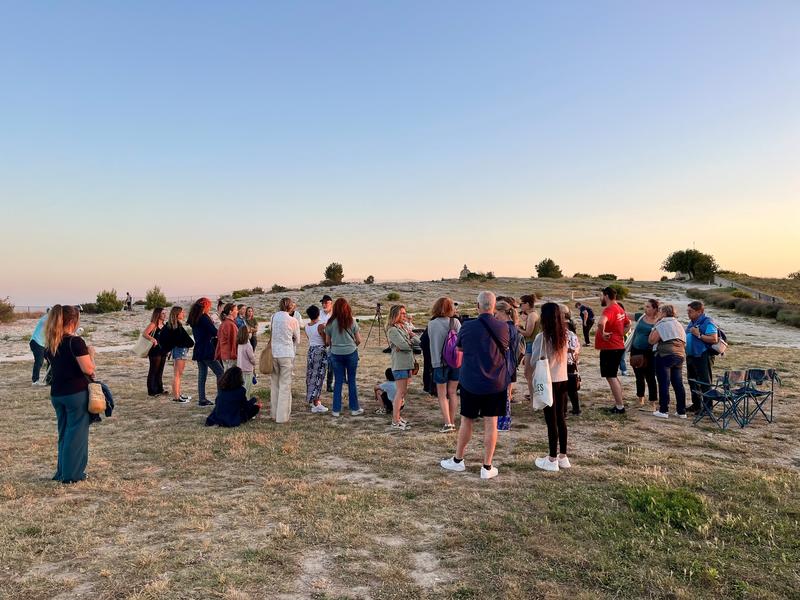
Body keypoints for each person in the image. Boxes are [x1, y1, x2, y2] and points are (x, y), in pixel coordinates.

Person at [440, 291, 509, 480]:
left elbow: (460, 349)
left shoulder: (467, 327)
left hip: (471, 381)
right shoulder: (503, 327)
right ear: (493, 306)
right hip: (496, 382)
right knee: (491, 422)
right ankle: (487, 466)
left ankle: (458, 460)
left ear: (478, 306)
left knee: (466, 421)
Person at [44, 305, 96, 484]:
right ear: (73, 321)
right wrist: (91, 354)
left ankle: (62, 472)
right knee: (77, 435)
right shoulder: (76, 342)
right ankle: (73, 474)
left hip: (57, 393)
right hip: (75, 393)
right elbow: (88, 369)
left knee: (64, 433)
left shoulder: (51, 342)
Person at [531, 302, 571, 471]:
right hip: (562, 379)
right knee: (561, 418)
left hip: (548, 381)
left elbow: (534, 360)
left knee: (551, 420)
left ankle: (552, 458)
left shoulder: (542, 337)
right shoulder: (564, 335)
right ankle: (563, 455)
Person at [426, 297, 461, 433]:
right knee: (452, 392)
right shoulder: (456, 322)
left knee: (442, 394)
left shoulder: (432, 324)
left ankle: (447, 423)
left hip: (438, 362)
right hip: (455, 362)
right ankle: (452, 421)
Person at [324, 298, 363, 417]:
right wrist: (352, 345)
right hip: (351, 353)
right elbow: (359, 340)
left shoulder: (330, 323)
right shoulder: (351, 321)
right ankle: (354, 408)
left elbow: (327, 342)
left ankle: (336, 410)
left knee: (338, 382)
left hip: (336, 354)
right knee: (352, 380)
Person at [648, 304, 688, 418]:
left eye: (660, 312)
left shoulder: (663, 324)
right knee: (678, 383)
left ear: (664, 313)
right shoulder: (679, 324)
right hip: (680, 355)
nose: (658, 314)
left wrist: (654, 326)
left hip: (665, 354)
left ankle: (663, 410)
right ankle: (681, 411)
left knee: (664, 382)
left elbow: (652, 340)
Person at [596, 287, 631, 414]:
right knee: (613, 376)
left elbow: (601, 323)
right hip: (617, 346)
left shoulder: (610, 309)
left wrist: (603, 333)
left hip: (610, 347)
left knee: (611, 376)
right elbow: (628, 324)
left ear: (606, 296)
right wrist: (621, 334)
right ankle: (619, 403)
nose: (600, 298)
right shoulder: (619, 308)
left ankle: (620, 406)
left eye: (601, 296)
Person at [387, 304, 421, 431]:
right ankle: (395, 420)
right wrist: (408, 344)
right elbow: (404, 345)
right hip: (400, 365)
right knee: (400, 392)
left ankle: (398, 417)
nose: (404, 315)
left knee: (403, 392)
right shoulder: (392, 330)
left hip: (408, 363)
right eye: (402, 313)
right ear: (395, 315)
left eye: (405, 313)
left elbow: (418, 342)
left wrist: (411, 336)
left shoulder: (404, 328)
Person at [187, 297, 223, 407]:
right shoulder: (204, 317)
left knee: (202, 375)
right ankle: (220, 398)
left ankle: (202, 399)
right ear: (205, 306)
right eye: (209, 305)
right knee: (220, 372)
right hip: (207, 348)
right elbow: (214, 332)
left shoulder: (195, 317)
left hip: (199, 348)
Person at [685, 301, 719, 413]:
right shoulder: (692, 322)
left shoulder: (708, 322)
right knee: (692, 381)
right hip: (691, 355)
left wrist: (698, 335)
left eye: (690, 311)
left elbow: (714, 339)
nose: (688, 313)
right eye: (688, 311)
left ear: (699, 311)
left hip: (703, 355)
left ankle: (708, 407)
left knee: (705, 382)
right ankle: (696, 405)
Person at [270, 297, 300, 423]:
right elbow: (297, 339)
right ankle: (282, 417)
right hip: (286, 353)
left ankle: (274, 413)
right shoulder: (292, 320)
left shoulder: (273, 317)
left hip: (274, 352)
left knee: (275, 384)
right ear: (290, 307)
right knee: (285, 385)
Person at [494, 300, 522, 431]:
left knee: (503, 394)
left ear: (501, 312)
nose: (495, 316)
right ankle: (504, 422)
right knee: (506, 394)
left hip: (505, 363)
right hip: (511, 364)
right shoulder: (513, 327)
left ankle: (502, 423)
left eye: (496, 313)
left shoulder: (505, 328)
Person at [159, 306, 195, 403]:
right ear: (177, 314)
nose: (183, 314)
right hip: (179, 350)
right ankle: (176, 396)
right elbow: (182, 339)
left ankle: (178, 394)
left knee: (179, 374)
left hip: (180, 350)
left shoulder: (175, 325)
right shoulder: (174, 326)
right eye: (182, 312)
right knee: (177, 374)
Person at [629, 299, 659, 410]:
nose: (645, 309)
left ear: (655, 308)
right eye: (645, 306)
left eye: (648, 307)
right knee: (638, 376)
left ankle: (652, 402)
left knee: (650, 377)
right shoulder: (640, 317)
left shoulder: (659, 320)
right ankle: (640, 399)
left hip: (650, 352)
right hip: (636, 350)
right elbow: (624, 315)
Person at [304, 305, 329, 413]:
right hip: (320, 351)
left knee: (311, 375)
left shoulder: (307, 326)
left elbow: (311, 339)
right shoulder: (321, 326)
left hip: (311, 350)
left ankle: (312, 398)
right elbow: (326, 341)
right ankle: (316, 402)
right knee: (319, 376)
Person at [518, 294, 540, 401]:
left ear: (527, 304)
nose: (520, 306)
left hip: (532, 345)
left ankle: (533, 396)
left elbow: (528, 333)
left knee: (528, 373)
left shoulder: (532, 315)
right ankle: (534, 395)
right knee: (530, 373)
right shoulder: (533, 314)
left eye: (521, 304)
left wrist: (518, 329)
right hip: (532, 344)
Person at [561, 305, 582, 415]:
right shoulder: (572, 332)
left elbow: (573, 349)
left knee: (564, 387)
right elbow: (576, 349)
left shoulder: (565, 333)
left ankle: (564, 410)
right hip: (571, 362)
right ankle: (576, 409)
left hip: (564, 362)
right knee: (571, 388)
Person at [143, 307, 168, 397]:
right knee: (153, 370)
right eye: (163, 313)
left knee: (160, 371)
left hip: (163, 350)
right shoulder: (153, 324)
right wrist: (152, 339)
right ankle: (151, 391)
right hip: (154, 351)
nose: (165, 315)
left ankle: (160, 389)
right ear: (158, 314)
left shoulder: (164, 325)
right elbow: (144, 333)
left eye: (165, 313)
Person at [214, 303, 239, 371]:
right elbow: (234, 341)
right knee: (231, 377)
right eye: (236, 310)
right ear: (230, 312)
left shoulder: (224, 323)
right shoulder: (230, 324)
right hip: (230, 355)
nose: (237, 311)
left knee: (227, 375)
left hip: (225, 354)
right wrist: (234, 355)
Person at [319, 295, 335, 392]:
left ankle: (329, 384)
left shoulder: (335, 314)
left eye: (326, 303)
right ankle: (319, 384)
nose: (324, 305)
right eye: (323, 303)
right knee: (321, 364)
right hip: (321, 341)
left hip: (332, 342)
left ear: (331, 303)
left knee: (331, 365)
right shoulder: (320, 313)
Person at [236, 325, 257, 398]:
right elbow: (251, 358)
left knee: (241, 387)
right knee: (247, 389)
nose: (251, 333)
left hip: (240, 369)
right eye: (249, 332)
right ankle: (246, 403)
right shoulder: (248, 345)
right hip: (248, 370)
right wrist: (255, 363)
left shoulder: (240, 344)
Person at [30, 309, 49, 385]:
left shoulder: (50, 318)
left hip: (43, 344)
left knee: (51, 360)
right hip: (36, 342)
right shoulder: (47, 318)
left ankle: (49, 380)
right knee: (39, 361)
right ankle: (35, 381)